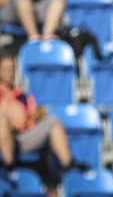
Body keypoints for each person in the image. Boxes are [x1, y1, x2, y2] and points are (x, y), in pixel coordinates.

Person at [0, 54, 88, 196]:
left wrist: (34, 117)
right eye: (5, 69)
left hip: (21, 137)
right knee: (2, 121)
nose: (9, 73)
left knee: (52, 121)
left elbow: (29, 118)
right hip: (3, 137)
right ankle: (8, 165)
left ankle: (68, 165)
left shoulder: (24, 96)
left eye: (12, 69)